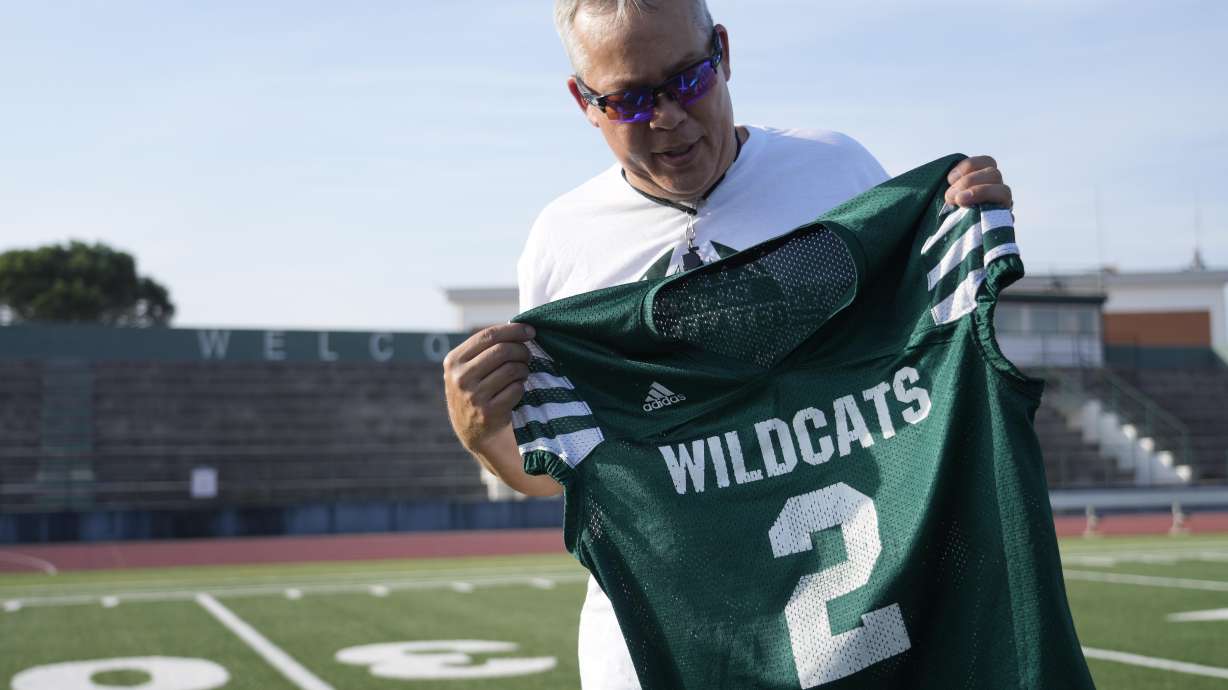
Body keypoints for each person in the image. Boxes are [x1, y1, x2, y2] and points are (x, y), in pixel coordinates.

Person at [444, 1, 1014, 687]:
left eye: (687, 80)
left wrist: (957, 232)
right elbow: (569, 476)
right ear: (583, 101)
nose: (668, 118)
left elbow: (923, 373)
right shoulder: (561, 246)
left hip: (850, 628)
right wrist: (482, 437)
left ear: (723, 51)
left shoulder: (835, 174)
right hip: (655, 645)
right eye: (628, 100)